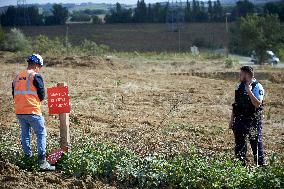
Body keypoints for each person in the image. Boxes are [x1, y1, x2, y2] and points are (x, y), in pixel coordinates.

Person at [12, 54, 55, 171]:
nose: (39, 69)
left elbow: (13, 93)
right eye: (40, 66)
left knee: (25, 134)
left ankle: (27, 158)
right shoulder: (35, 76)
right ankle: (42, 162)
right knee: (41, 133)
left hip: (19, 111)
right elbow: (41, 94)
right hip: (33, 110)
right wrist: (36, 101)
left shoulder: (17, 76)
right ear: (37, 65)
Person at [229, 66, 265, 166]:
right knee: (239, 146)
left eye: (241, 74)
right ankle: (241, 168)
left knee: (256, 146)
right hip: (240, 121)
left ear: (246, 74)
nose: (239, 76)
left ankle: (261, 168)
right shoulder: (239, 86)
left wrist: (249, 92)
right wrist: (232, 120)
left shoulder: (257, 86)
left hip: (253, 122)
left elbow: (258, 104)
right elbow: (236, 105)